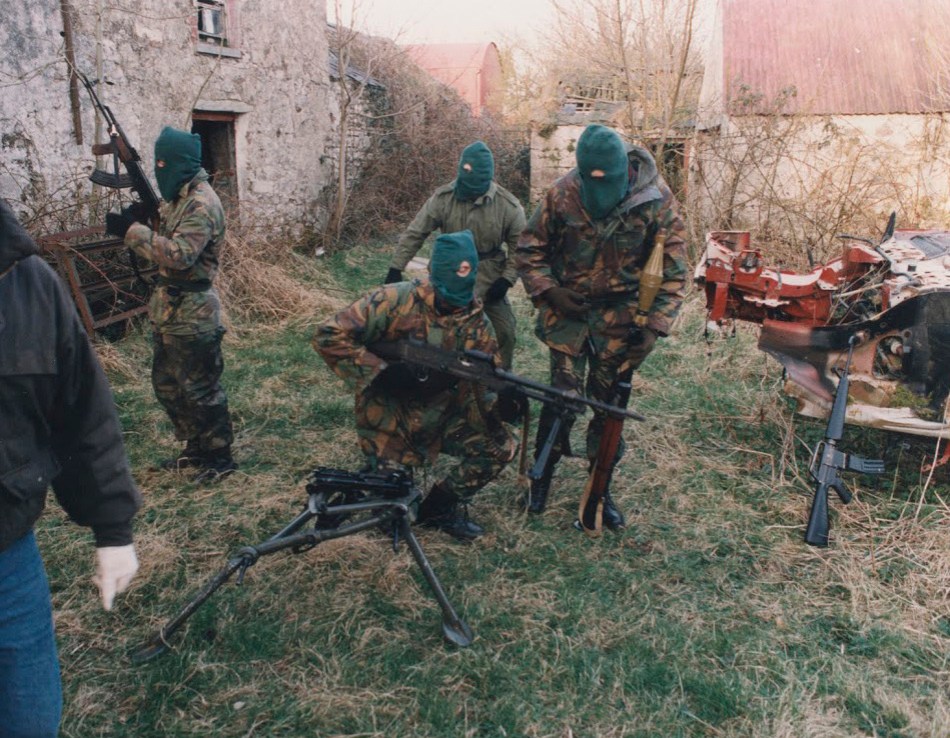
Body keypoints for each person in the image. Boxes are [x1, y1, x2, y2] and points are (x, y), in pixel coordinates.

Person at [0, 198, 141, 737]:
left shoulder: (29, 283)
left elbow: (83, 409)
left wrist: (113, 529)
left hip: (8, 559)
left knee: (30, 723)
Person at [516, 124, 688, 526]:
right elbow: (529, 250)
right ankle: (541, 477)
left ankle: (600, 488)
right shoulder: (561, 194)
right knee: (561, 399)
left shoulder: (656, 201)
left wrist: (655, 326)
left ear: (623, 171)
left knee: (608, 406)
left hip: (625, 317)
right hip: (569, 313)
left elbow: (675, 272)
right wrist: (550, 292)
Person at [316, 231, 518, 541]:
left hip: (440, 419)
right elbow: (329, 334)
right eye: (448, 294)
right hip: (388, 421)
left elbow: (488, 383)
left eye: (462, 295)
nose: (456, 304)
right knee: (391, 516)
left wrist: (504, 401)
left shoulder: (478, 324)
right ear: (433, 276)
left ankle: (440, 508)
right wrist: (379, 372)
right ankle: (371, 479)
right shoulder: (392, 300)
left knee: (500, 447)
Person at [108, 125, 236, 483]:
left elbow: (180, 255)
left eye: (164, 162)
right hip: (169, 306)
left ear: (179, 162)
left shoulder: (201, 203)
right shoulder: (180, 198)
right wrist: (146, 218)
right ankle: (195, 447)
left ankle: (219, 455)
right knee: (168, 384)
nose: (159, 168)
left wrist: (131, 232)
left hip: (194, 309)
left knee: (199, 387)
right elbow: (168, 242)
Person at [384, 141, 526, 369]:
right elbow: (416, 232)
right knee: (433, 330)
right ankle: (433, 376)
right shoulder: (443, 198)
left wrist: (506, 279)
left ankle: (500, 381)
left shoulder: (508, 206)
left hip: (488, 276)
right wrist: (395, 267)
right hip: (445, 274)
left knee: (504, 331)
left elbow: (521, 247)